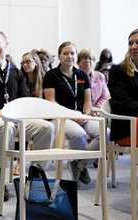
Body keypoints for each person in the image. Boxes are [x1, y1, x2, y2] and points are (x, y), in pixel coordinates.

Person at [0, 31, 54, 201]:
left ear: (6, 44)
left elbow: (23, 100)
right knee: (4, 126)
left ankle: (35, 178)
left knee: (47, 127)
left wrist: (22, 115)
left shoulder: (15, 71)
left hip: (15, 118)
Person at [43, 41, 102, 187]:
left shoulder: (82, 74)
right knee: (79, 135)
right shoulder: (51, 75)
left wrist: (84, 115)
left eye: (72, 53)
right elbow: (50, 101)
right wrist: (71, 115)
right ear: (59, 56)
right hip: (60, 116)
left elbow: (88, 101)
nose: (69, 56)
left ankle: (79, 164)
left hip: (81, 115)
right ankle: (77, 170)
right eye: (65, 53)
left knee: (105, 132)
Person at [108, 28, 138, 147]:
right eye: (130, 43)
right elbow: (123, 104)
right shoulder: (118, 71)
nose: (133, 47)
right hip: (127, 125)